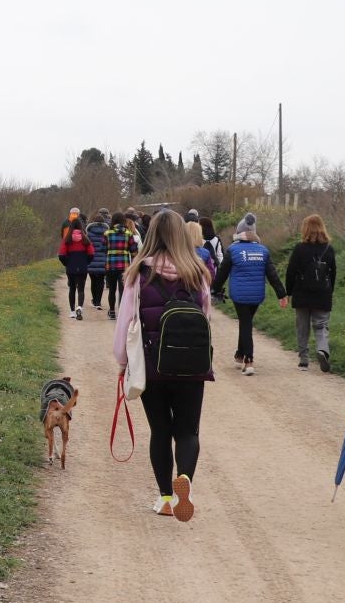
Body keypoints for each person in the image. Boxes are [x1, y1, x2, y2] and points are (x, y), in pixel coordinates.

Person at [114, 212, 214, 521]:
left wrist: (122, 361)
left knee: (160, 431)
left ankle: (167, 498)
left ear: (151, 235)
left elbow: (126, 321)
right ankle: (185, 479)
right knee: (188, 431)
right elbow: (207, 319)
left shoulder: (137, 274)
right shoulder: (199, 274)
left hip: (153, 363)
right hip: (192, 365)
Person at [211, 212, 287, 374]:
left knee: (245, 324)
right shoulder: (263, 251)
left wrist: (214, 289)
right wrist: (282, 294)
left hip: (239, 295)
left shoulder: (233, 250)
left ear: (239, 232)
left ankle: (249, 360)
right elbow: (272, 274)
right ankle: (239, 354)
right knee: (246, 323)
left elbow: (222, 273)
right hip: (256, 295)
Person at [284, 213, 338, 372]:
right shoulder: (329, 249)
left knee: (302, 327)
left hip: (302, 293)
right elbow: (333, 273)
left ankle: (304, 360)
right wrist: (330, 291)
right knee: (321, 326)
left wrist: (289, 291)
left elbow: (291, 271)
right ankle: (323, 350)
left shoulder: (299, 248)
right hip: (323, 294)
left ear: (305, 229)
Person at [58, 208, 94, 320]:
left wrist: (66, 263)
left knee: (72, 289)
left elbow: (61, 255)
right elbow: (91, 253)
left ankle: (72, 311)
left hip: (71, 267)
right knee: (81, 289)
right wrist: (86, 262)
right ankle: (80, 307)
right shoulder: (85, 239)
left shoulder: (67, 240)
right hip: (82, 266)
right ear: (81, 226)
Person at [103, 212, 135, 319]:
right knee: (122, 290)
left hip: (110, 265)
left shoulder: (107, 233)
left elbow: (103, 249)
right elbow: (134, 251)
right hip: (124, 266)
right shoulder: (129, 233)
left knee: (111, 289)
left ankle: (112, 311)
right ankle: (121, 312)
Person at [85, 208, 112, 311]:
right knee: (101, 281)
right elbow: (107, 247)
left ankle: (94, 300)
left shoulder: (89, 234)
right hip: (103, 260)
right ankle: (98, 302)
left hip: (91, 260)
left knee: (93, 281)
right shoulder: (107, 234)